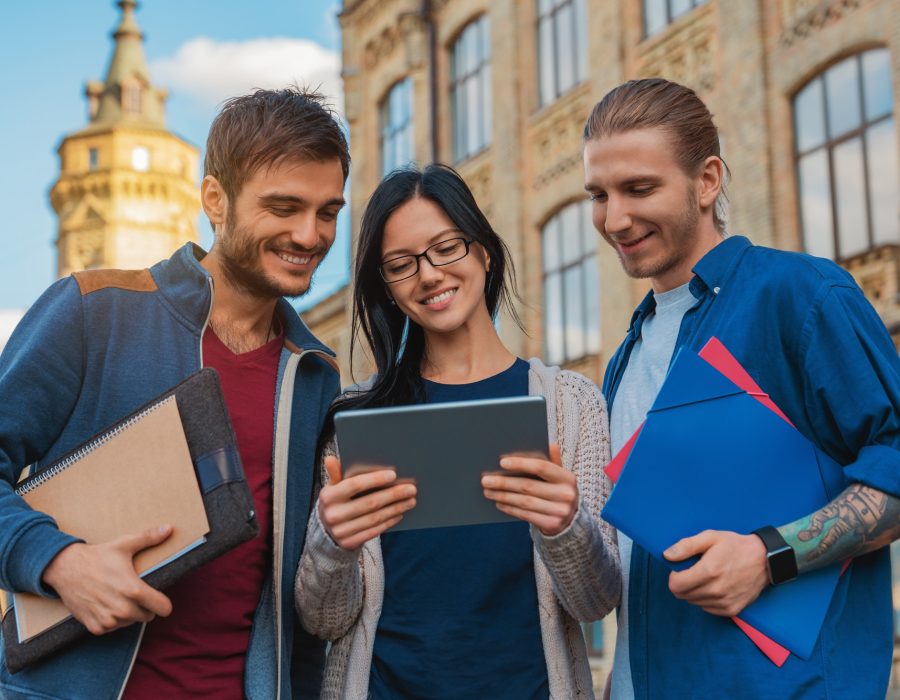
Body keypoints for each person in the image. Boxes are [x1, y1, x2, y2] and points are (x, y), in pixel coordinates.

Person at [0, 87, 349, 699]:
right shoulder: (92, 310)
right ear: (215, 199)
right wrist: (58, 561)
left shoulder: (315, 373)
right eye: (284, 206)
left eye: (328, 212)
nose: (310, 234)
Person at [583, 77, 900, 699]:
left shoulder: (802, 296)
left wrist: (768, 555)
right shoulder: (625, 356)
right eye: (599, 194)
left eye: (639, 188)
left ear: (707, 181)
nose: (614, 218)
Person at [295, 163, 620, 699]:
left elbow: (596, 602)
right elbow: (324, 620)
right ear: (387, 287)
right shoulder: (355, 416)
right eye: (401, 264)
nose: (428, 274)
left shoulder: (570, 404)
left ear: (483, 252)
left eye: (446, 248)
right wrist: (332, 543)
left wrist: (567, 524)